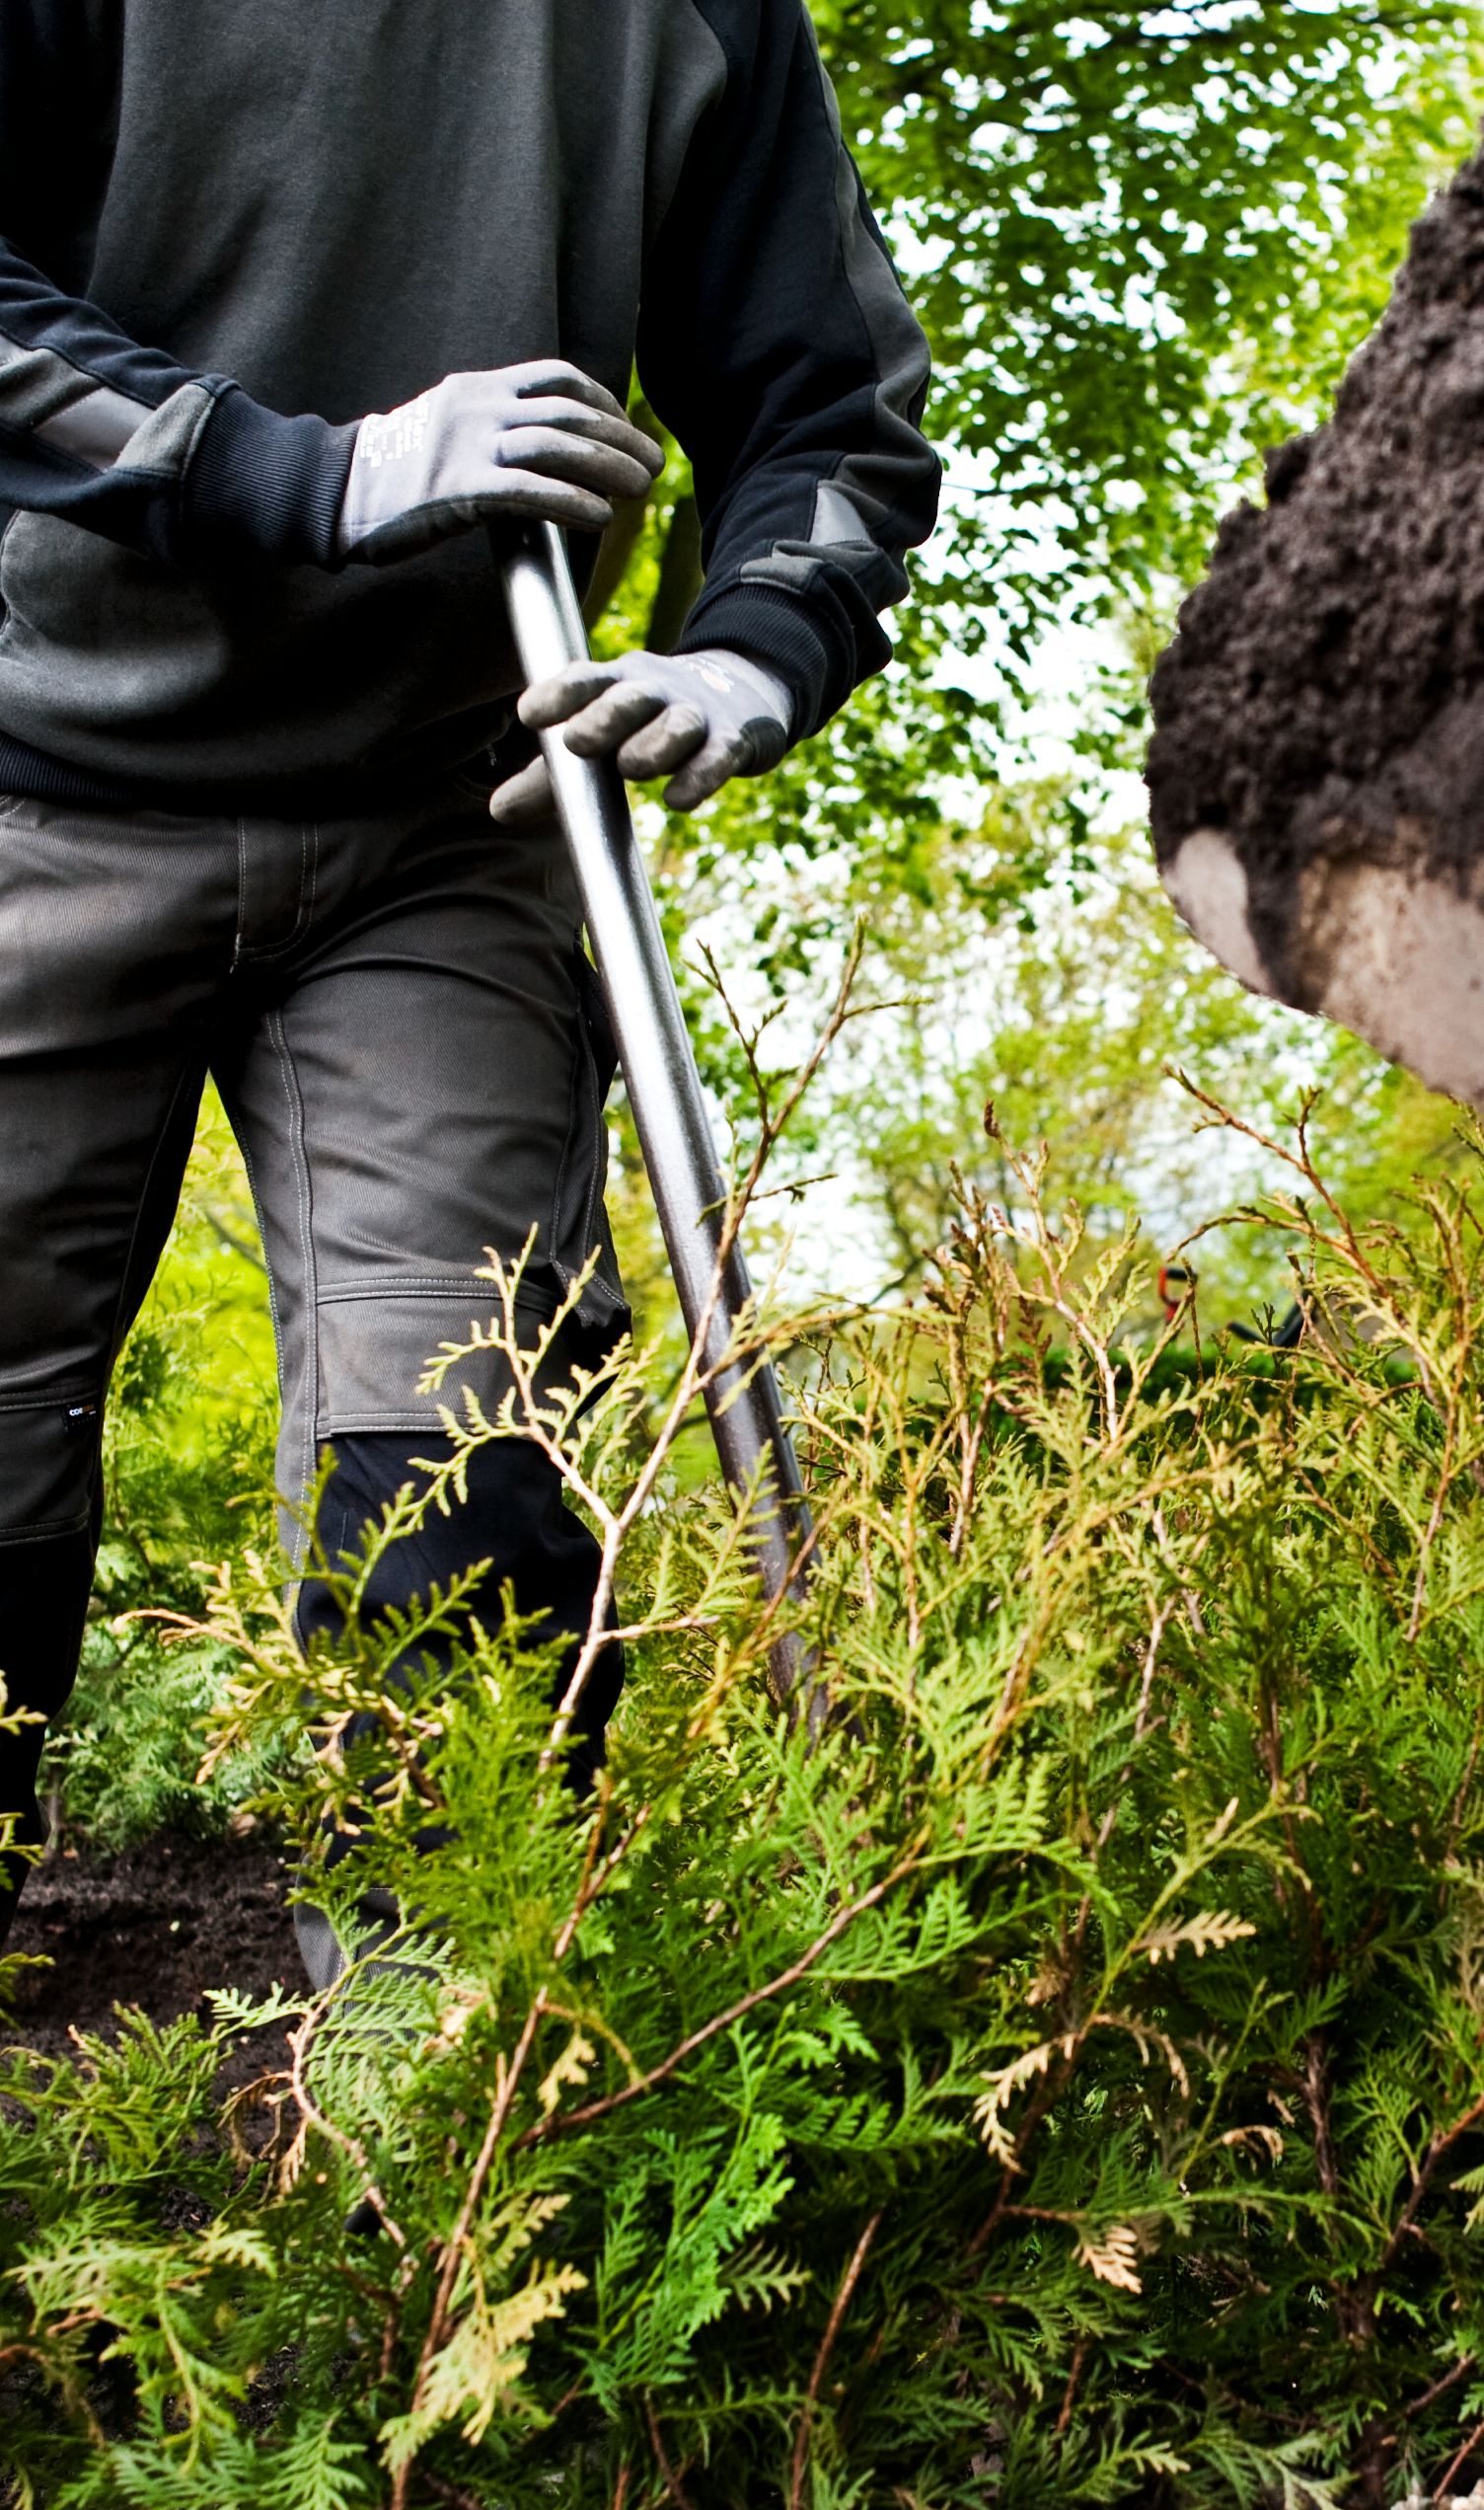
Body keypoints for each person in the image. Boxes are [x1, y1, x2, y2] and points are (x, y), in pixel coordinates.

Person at [0, 0, 940, 1968]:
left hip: (452, 819)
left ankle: (448, 2161)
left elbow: (826, 405)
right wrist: (301, 467)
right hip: (36, 779)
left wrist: (755, 645)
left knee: (462, 1483)